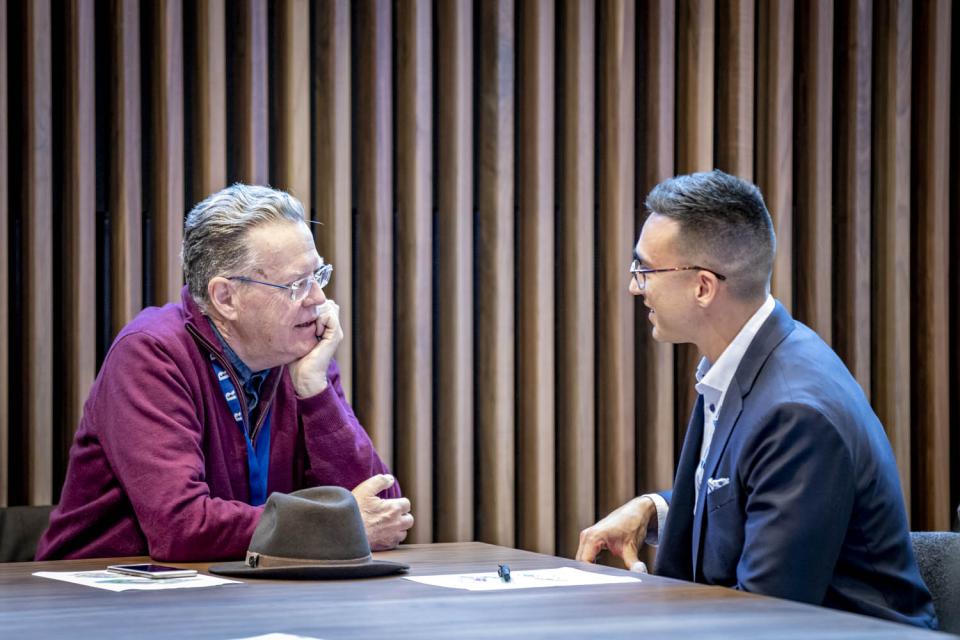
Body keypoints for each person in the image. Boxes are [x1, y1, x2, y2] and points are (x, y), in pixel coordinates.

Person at [576, 170, 936, 628]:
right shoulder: (747, 359)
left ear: (703, 286)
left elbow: (765, 616)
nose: (634, 286)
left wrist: (639, 612)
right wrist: (654, 509)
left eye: (644, 270)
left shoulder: (796, 412)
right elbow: (751, 496)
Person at [37, 184, 413, 561]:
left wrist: (316, 393)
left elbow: (383, 511)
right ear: (225, 298)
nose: (318, 300)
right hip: (100, 601)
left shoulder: (302, 358)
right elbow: (181, 527)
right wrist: (334, 526)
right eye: (297, 284)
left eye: (319, 276)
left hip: (243, 589)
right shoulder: (151, 354)